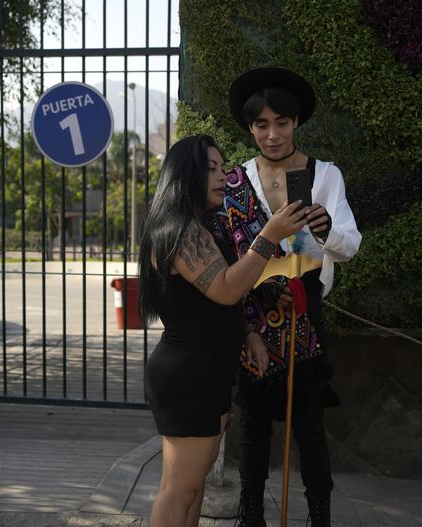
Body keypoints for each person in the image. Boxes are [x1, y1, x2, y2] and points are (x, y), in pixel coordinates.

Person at [138, 134, 309, 527]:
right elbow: (227, 288)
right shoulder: (180, 230)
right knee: (179, 490)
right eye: (211, 168)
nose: (222, 176)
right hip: (189, 376)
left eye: (222, 166)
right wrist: (269, 236)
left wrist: (247, 333)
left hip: (205, 371)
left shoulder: (195, 227)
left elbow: (210, 302)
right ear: (186, 174)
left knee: (191, 486)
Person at [216, 67, 362, 526]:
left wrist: (326, 229)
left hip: (304, 306)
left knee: (310, 425)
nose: (273, 134)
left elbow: (349, 245)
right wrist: (248, 311)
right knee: (253, 424)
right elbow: (227, 254)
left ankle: (321, 518)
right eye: (262, 124)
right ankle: (251, 517)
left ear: (296, 122)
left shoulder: (325, 176)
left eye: (282, 122)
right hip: (254, 312)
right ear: (250, 128)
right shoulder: (235, 182)